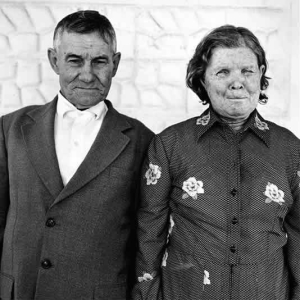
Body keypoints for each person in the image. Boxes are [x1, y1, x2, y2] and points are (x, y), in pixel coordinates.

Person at [132, 25, 300, 300]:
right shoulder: (170, 145)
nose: (237, 82)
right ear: (203, 80)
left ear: (260, 76)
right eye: (223, 72)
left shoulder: (291, 150)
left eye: (247, 71)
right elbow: (149, 233)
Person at [0, 10, 153, 300]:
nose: (87, 74)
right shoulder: (10, 129)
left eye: (99, 61)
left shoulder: (143, 141)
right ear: (53, 60)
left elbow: (144, 238)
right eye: (74, 60)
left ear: (116, 64)